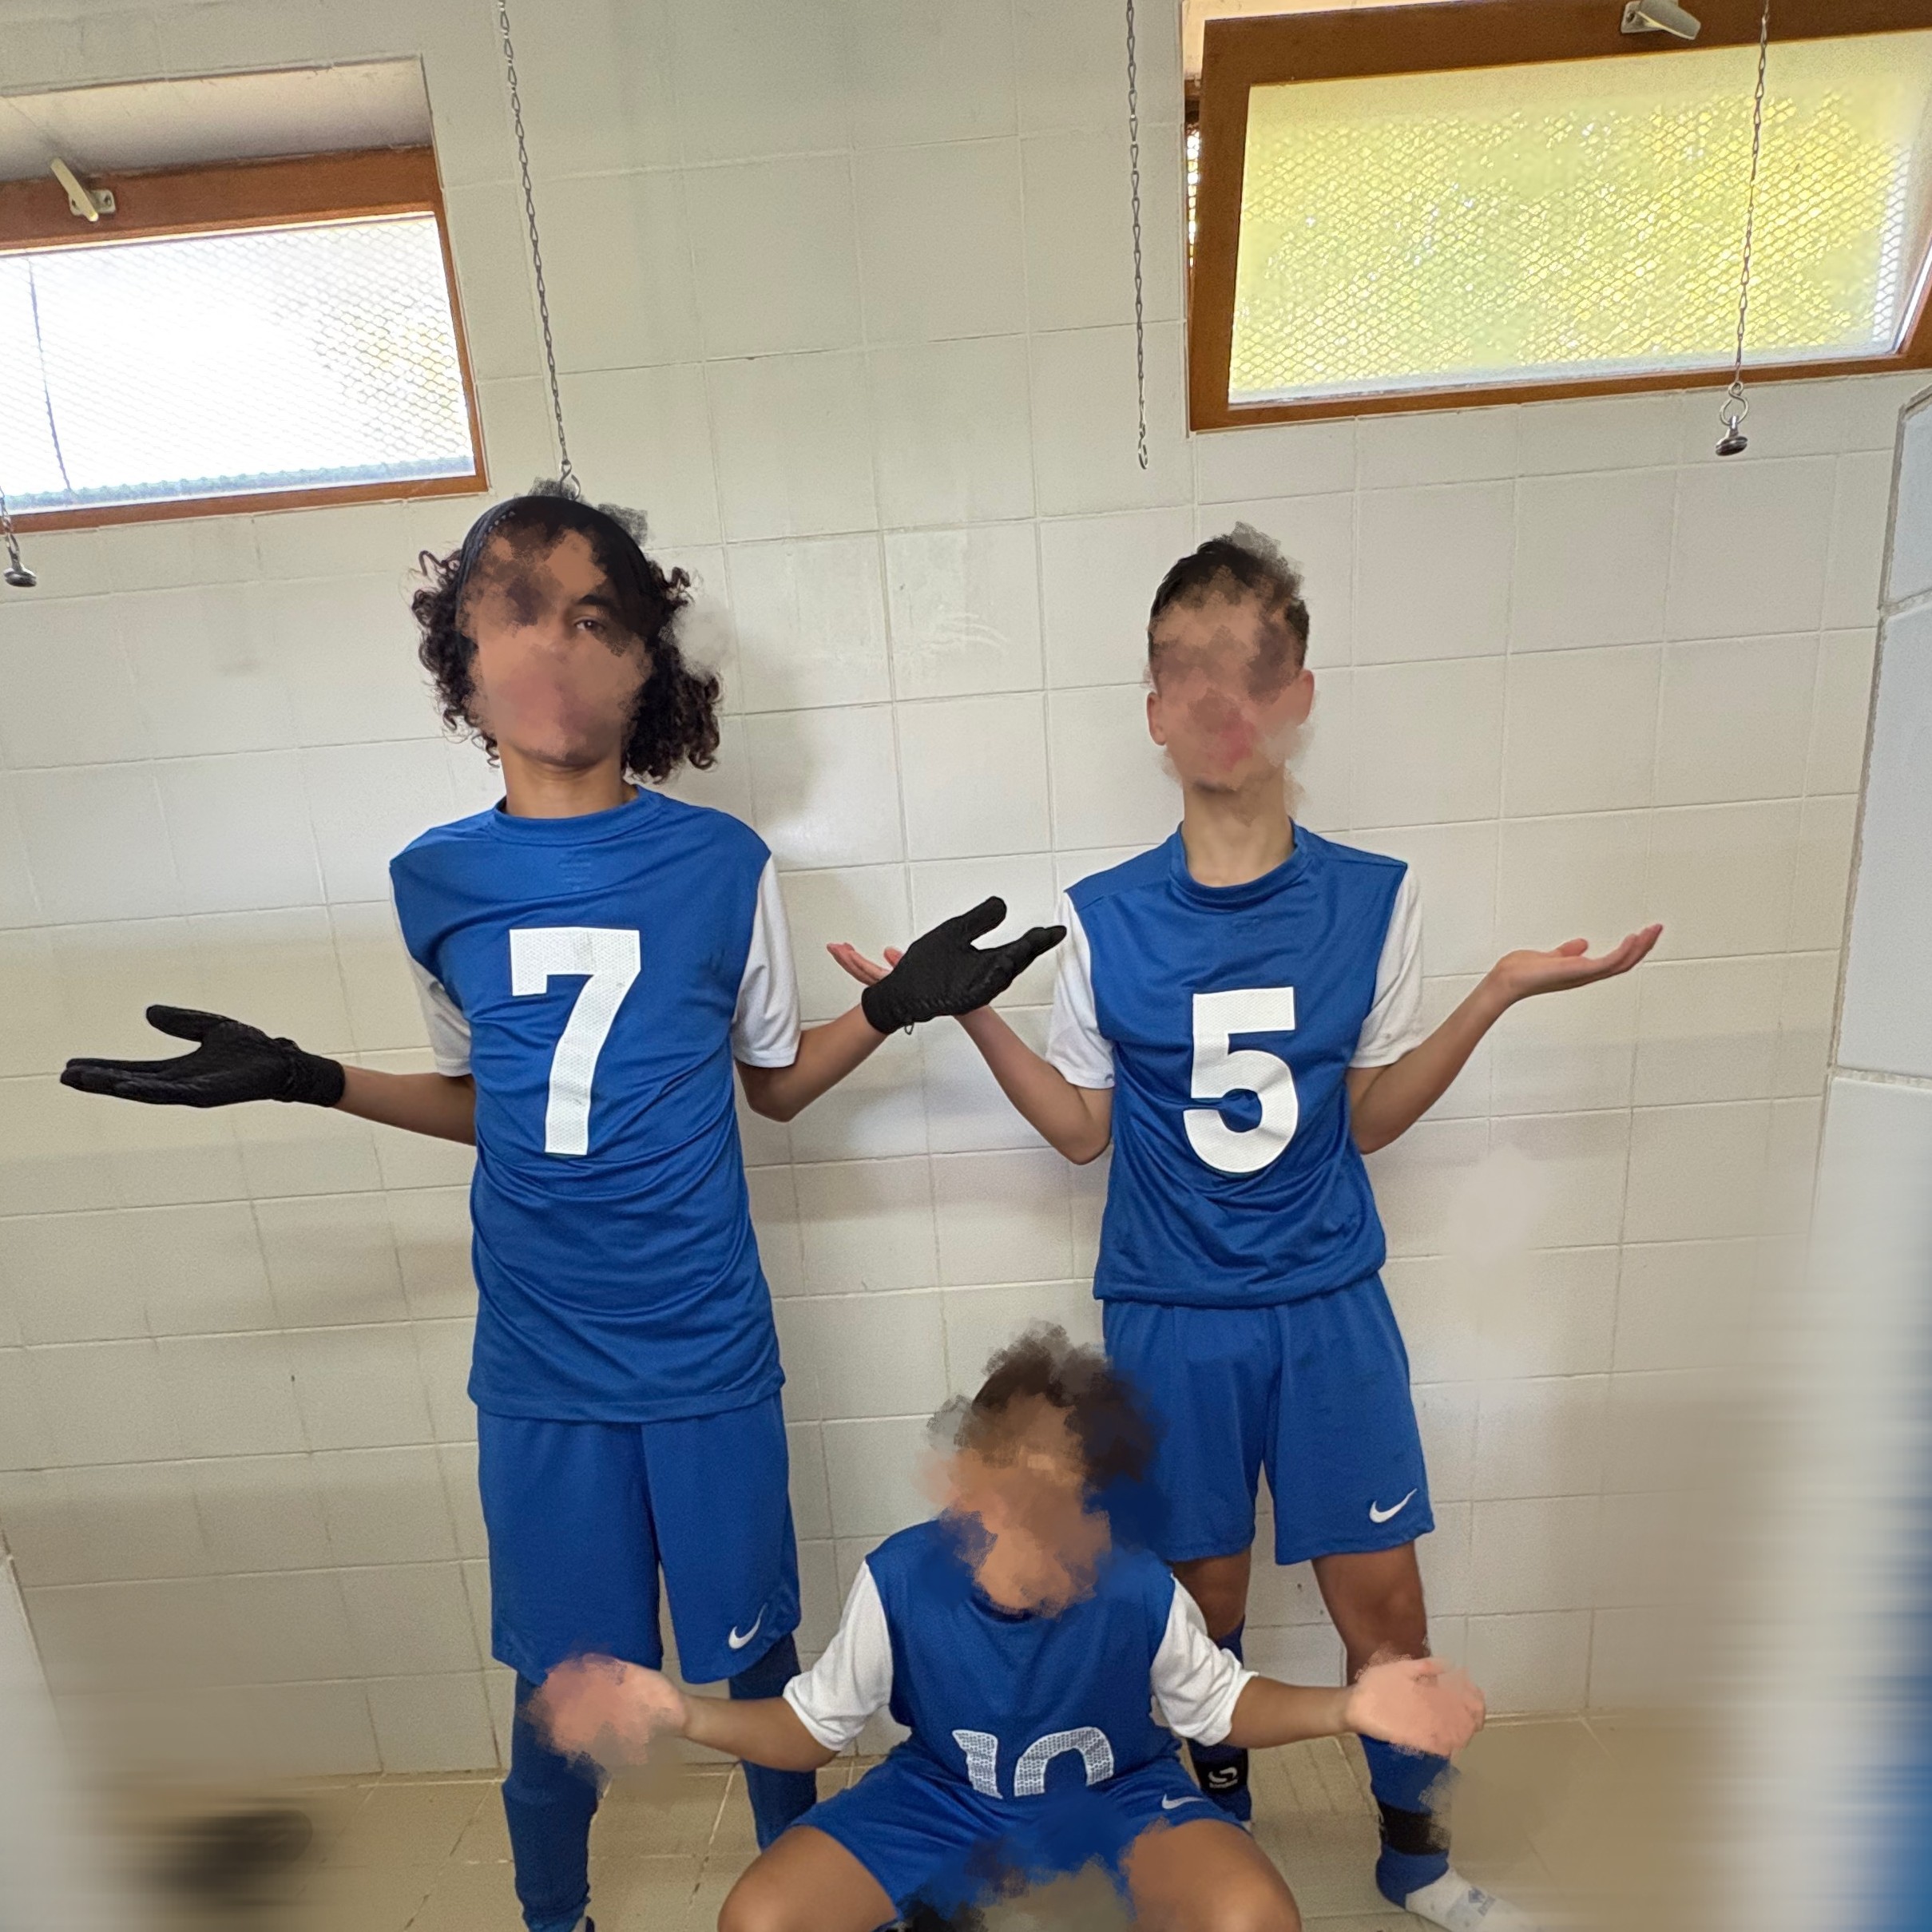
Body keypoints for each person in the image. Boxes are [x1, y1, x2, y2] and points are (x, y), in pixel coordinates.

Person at [58, 485, 1061, 1932]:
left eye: (595, 617)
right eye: (516, 609)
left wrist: (894, 1008)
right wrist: (309, 1076)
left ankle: (800, 1904)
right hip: (542, 1367)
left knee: (755, 1664)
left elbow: (772, 1089)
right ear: (461, 657)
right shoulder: (433, 880)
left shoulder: (720, 864)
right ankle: (552, 1914)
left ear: (645, 662)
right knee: (558, 1685)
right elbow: (496, 1103)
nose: (554, 645)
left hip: (705, 1352)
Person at [831, 526, 1661, 1932]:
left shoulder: (1374, 896)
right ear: (1153, 709)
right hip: (1168, 1316)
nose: (1222, 698)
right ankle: (1216, 1833)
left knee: (1383, 1607)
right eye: (1189, 671)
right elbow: (1082, 1130)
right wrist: (965, 1010)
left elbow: (1368, 1116)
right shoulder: (1101, 917)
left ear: (1298, 695)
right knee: (1192, 1610)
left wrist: (1492, 993)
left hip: (1328, 1304)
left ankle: (1412, 1854)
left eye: (1253, 667)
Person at [530, 1325, 1488, 1932]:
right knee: (759, 1918)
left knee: (1255, 1917)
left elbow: (1223, 1705)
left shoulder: (1135, 1584)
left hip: (1113, 1800)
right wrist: (682, 1712)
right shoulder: (901, 1577)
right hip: (943, 1799)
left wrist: (1349, 1706)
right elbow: (810, 1729)